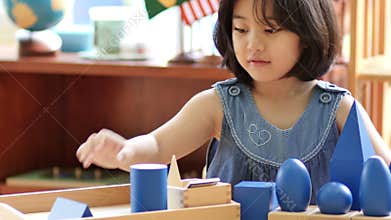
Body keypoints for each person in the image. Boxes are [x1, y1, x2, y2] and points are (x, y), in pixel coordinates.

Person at [76, 0, 391, 203]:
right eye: (241, 29)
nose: (253, 44)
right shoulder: (217, 104)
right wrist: (124, 151)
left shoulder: (339, 108)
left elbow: (383, 171)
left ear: (307, 35)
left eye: (270, 30)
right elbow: (158, 147)